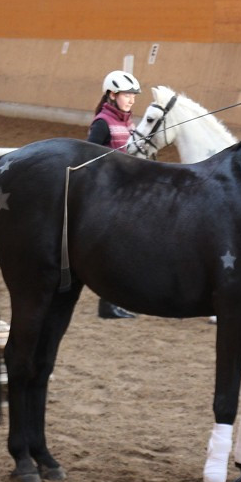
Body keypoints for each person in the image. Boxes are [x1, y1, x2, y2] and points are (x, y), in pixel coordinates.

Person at [87, 69, 142, 320]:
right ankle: (108, 304)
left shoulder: (127, 122)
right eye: (127, 95)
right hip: (109, 194)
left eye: (133, 95)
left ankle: (114, 302)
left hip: (126, 191)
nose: (131, 99)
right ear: (112, 95)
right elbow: (92, 158)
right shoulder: (102, 123)